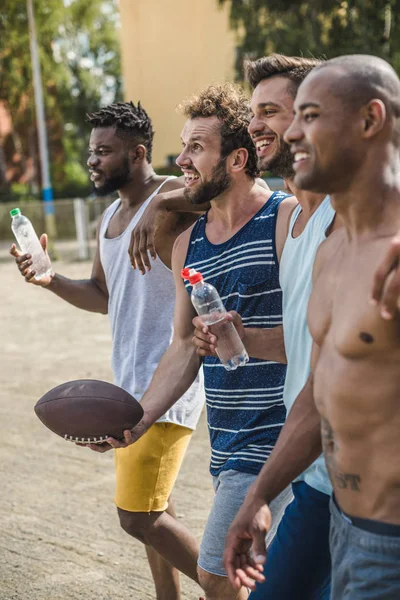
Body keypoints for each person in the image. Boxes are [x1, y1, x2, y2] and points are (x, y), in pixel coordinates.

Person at [10, 100, 207, 600]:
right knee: (154, 508)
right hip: (128, 386)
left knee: (137, 516)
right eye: (91, 151)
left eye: (104, 151)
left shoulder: (172, 196)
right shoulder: (108, 219)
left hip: (169, 383)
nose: (92, 161)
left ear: (139, 153)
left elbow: (219, 199)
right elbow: (102, 296)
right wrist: (51, 279)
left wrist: (164, 205)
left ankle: (229, 589)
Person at [107, 83, 296, 600]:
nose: (181, 159)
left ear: (237, 159)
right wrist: (138, 419)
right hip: (230, 446)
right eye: (183, 145)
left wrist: (244, 338)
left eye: (196, 148)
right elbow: (184, 346)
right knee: (254, 580)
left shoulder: (284, 219)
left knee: (217, 576)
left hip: (287, 441)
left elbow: (318, 334)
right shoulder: (189, 243)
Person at [191, 55, 339, 598]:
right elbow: (308, 349)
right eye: (253, 112)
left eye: (271, 111)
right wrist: (241, 337)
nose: (255, 124)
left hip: (348, 478)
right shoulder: (298, 223)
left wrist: (257, 496)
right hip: (314, 472)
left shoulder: (340, 220)